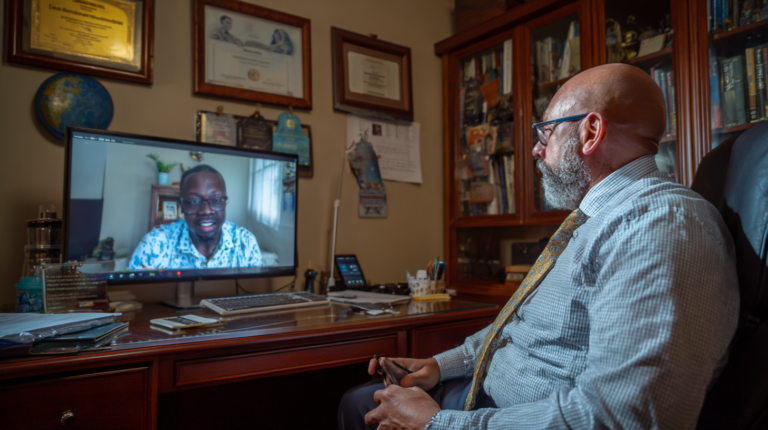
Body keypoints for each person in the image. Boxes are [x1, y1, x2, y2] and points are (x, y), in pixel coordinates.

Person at [338, 63, 740, 429]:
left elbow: (622, 417)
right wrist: (439, 367)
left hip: (513, 417)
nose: (535, 149)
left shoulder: (657, 226)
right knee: (359, 400)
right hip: (487, 397)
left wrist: (438, 424)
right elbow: (518, 328)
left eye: (545, 133)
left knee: (360, 409)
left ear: (590, 132)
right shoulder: (593, 220)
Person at [129, 165, 262, 270]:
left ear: (225, 202)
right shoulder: (154, 244)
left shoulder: (245, 243)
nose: (206, 211)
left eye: (216, 200)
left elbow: (255, 297)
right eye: (193, 201)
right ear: (182, 206)